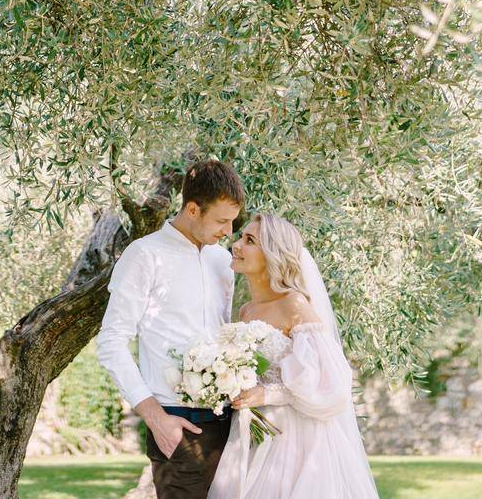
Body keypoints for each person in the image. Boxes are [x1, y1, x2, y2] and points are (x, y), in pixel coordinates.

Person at [97, 158, 246, 499]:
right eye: (221, 221)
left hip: (230, 424)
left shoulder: (222, 262)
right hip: (176, 424)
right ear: (193, 209)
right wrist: (155, 417)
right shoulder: (144, 255)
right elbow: (111, 342)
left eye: (232, 222)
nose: (228, 232)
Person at [208, 211, 379, 499]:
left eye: (249, 240)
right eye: (241, 237)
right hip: (253, 430)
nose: (236, 245)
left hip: (295, 437)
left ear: (273, 255)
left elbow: (331, 384)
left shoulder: (294, 305)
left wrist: (269, 394)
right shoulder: (246, 311)